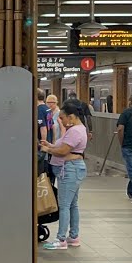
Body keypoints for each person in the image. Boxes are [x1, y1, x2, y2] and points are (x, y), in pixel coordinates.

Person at [39, 99, 88, 250]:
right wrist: (52, 145)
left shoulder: (75, 131)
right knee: (72, 204)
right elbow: (64, 147)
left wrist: (48, 150)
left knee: (64, 205)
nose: (61, 120)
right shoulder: (79, 129)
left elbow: (63, 151)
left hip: (70, 169)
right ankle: (73, 236)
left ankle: (61, 240)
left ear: (71, 116)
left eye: (63, 117)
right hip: (73, 168)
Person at [45, 95, 63, 182]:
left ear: (56, 103)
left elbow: (62, 128)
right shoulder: (46, 113)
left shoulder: (59, 114)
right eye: (48, 102)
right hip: (49, 143)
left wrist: (61, 141)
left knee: (54, 167)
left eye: (52, 102)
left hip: (56, 143)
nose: (50, 104)